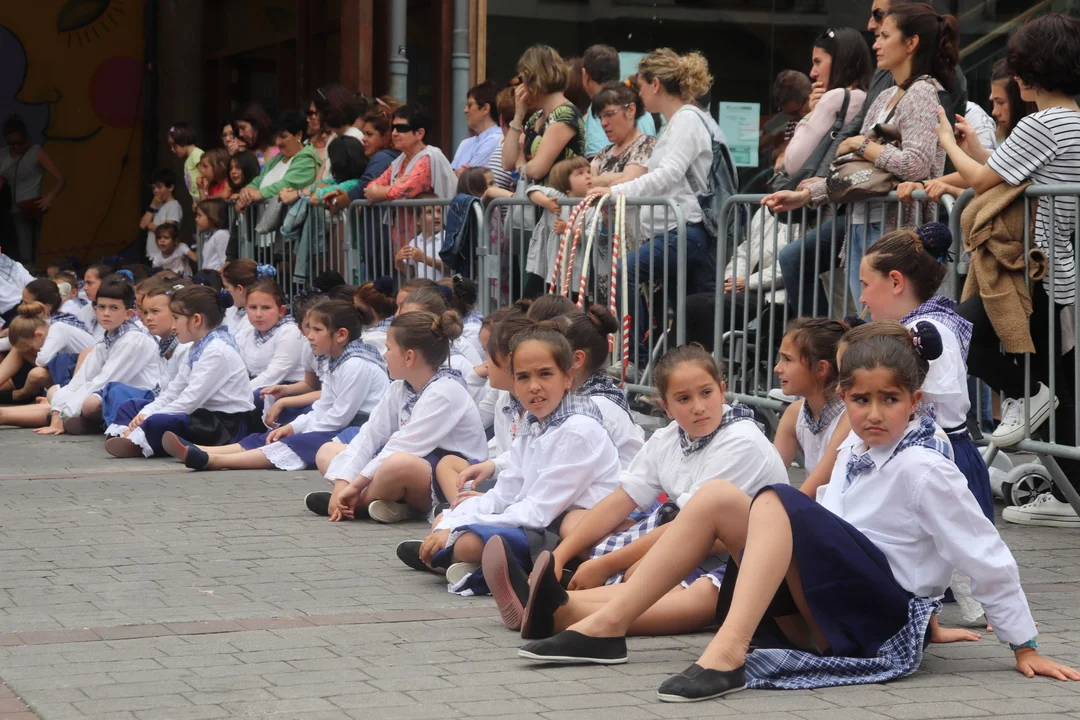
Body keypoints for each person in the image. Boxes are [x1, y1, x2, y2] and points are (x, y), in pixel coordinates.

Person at [516, 323, 1080, 698]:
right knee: (719, 497)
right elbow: (860, 535)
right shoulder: (855, 448)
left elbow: (979, 551)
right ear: (845, 398)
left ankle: (728, 651)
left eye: (889, 400)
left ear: (915, 402)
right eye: (860, 400)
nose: (873, 414)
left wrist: (1023, 642)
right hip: (835, 603)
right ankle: (606, 629)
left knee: (777, 498)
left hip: (871, 623)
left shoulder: (926, 467)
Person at [482, 343, 786, 636]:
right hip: (688, 540)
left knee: (692, 591)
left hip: (749, 557)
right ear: (666, 407)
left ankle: (561, 610)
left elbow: (692, 528)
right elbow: (622, 499)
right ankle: (547, 602)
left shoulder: (740, 441)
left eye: (706, 393)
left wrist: (605, 565)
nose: (698, 407)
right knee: (578, 523)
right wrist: (559, 556)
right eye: (683, 399)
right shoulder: (669, 437)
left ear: (722, 390)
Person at [936, 13, 1080, 526]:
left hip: (1030, 271)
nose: (1015, 79)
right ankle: (1067, 494)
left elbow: (982, 181)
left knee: (954, 333)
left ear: (1031, 69)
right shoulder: (1074, 121)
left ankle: (1026, 396)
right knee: (1062, 387)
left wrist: (947, 142)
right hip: (1059, 271)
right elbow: (1004, 171)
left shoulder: (1043, 123)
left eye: (1019, 67)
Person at [403, 320, 622, 592]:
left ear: (567, 377)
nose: (534, 386)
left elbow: (537, 513)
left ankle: (484, 564)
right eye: (523, 377)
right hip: (539, 523)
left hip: (565, 531)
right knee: (445, 519)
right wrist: (452, 522)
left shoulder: (577, 430)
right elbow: (504, 494)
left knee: (467, 541)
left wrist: (457, 529)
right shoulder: (535, 422)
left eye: (545, 374)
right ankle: (468, 562)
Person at [763, 3, 958, 308]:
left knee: (886, 325)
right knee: (869, 322)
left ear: (911, 43)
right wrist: (805, 195)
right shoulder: (884, 95)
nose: (876, 44)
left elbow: (915, 164)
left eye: (885, 36)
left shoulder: (922, 92)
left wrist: (863, 146)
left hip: (895, 232)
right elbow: (857, 173)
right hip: (861, 222)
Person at [687, 27, 872, 346]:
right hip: (833, 209)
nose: (813, 72)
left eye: (819, 62)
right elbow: (746, 249)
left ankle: (823, 352)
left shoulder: (838, 97)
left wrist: (811, 114)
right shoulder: (863, 99)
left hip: (824, 210)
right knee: (842, 300)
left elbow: (794, 161)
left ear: (840, 60)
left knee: (815, 284)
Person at [604, 49, 731, 366]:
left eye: (640, 86)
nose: (640, 94)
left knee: (625, 271)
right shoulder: (680, 122)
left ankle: (636, 362)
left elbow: (668, 175)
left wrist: (615, 192)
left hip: (685, 231)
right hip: (680, 232)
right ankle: (675, 374)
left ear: (656, 84)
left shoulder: (686, 119)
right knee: (690, 318)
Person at [164, 299, 389, 472]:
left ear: (341, 335)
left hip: (358, 430)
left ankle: (215, 460)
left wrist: (298, 430)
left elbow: (338, 418)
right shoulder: (335, 362)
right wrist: (293, 426)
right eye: (309, 329)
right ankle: (205, 450)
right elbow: (323, 407)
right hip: (339, 424)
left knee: (299, 441)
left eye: (317, 330)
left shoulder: (356, 365)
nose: (309, 336)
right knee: (279, 433)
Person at [309, 310, 488, 523]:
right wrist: (343, 482)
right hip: (411, 465)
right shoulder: (400, 387)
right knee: (327, 451)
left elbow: (404, 446)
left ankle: (354, 504)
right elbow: (370, 435)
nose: (384, 355)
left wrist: (354, 486)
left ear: (409, 357)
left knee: (398, 463)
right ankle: (383, 505)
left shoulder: (445, 391)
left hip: (447, 475)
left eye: (389, 348)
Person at [103, 285, 255, 459]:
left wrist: (149, 417)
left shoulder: (217, 351)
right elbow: (173, 392)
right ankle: (133, 435)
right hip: (202, 416)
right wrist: (144, 412)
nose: (173, 326)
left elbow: (189, 401)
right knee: (132, 406)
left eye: (176, 318)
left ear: (196, 319)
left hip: (225, 426)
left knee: (161, 421)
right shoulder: (196, 348)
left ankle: (139, 441)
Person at [0, 278, 156, 432]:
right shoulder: (106, 340)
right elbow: (81, 379)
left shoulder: (133, 341)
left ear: (128, 313)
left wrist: (62, 413)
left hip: (142, 399)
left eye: (114, 308)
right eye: (102, 307)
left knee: (91, 403)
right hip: (111, 394)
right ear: (95, 309)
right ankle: (77, 420)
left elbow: (104, 381)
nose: (106, 313)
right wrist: (58, 411)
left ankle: (87, 422)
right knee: (55, 391)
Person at [100, 278, 192, 439]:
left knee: (155, 418)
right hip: (164, 401)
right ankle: (125, 432)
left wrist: (148, 414)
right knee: (129, 405)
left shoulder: (185, 348)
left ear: (175, 313)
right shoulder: (164, 346)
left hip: (185, 409)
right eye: (145, 312)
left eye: (155, 312)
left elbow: (183, 397)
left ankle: (131, 436)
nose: (148, 318)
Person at [772, 318, 851, 500]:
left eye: (787, 359)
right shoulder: (794, 413)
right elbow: (770, 476)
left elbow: (812, 490)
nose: (777, 368)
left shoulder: (848, 417)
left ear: (821, 368)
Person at [502, 45, 587, 186]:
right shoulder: (537, 117)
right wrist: (518, 117)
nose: (520, 88)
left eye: (522, 80)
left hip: (558, 198)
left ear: (534, 79)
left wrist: (521, 163)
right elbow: (507, 163)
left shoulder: (565, 114)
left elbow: (536, 170)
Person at [525, 157, 596, 298]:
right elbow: (532, 190)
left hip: (572, 267)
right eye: (580, 173)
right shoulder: (558, 197)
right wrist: (546, 202)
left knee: (569, 303)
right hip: (545, 264)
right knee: (533, 300)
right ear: (566, 186)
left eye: (589, 172)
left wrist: (569, 230)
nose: (588, 176)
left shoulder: (593, 207)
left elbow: (590, 236)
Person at [0, 300, 93, 404]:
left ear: (39, 335)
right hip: (66, 371)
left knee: (36, 373)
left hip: (83, 379)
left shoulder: (58, 329)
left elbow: (42, 360)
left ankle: (21, 394)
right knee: (19, 349)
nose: (32, 351)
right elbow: (13, 343)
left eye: (31, 348)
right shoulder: (44, 326)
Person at [0, 115, 64, 263]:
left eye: (19, 142)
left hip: (27, 208)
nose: (16, 147)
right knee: (9, 251)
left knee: (26, 252)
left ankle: (29, 273)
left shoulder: (36, 152)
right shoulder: (3, 155)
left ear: (25, 138)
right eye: (12, 143)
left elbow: (60, 178)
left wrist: (49, 198)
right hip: (6, 209)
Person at [364, 104, 456, 203]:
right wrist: (393, 187)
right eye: (393, 128)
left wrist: (386, 190)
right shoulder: (401, 159)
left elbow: (403, 192)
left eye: (401, 128)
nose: (394, 133)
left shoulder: (429, 156)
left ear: (419, 133)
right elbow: (369, 188)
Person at [235, 110, 323, 213]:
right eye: (276, 137)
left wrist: (257, 194)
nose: (277, 142)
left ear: (298, 135)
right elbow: (259, 179)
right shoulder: (278, 158)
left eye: (283, 137)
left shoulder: (308, 160)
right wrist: (247, 191)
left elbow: (286, 185)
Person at [581, 45, 657, 157]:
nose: (603, 122)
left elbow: (596, 158)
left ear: (585, 75)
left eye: (609, 114)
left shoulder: (598, 108)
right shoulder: (641, 105)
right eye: (601, 117)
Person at [324, 107, 403, 212]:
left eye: (369, 134)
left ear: (386, 135)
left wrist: (337, 202)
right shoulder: (389, 156)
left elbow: (363, 188)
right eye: (363, 133)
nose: (363, 138)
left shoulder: (382, 157)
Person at [235, 277, 304, 392]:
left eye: (266, 308)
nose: (258, 314)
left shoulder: (290, 331)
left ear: (281, 311)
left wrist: (240, 392)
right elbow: (238, 368)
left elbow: (275, 373)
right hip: (254, 387)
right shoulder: (246, 333)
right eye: (253, 307)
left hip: (287, 389)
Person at [452, 80, 503, 173]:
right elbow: (449, 177)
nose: (465, 110)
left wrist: (460, 174)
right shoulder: (465, 143)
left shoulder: (498, 139)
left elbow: (470, 177)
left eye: (470, 105)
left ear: (485, 109)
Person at [395, 194, 447, 281]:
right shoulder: (414, 242)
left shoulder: (447, 239)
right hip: (423, 289)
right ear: (417, 220)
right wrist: (399, 261)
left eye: (439, 211)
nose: (437, 216)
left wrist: (424, 259)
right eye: (430, 212)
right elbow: (411, 273)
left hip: (443, 289)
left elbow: (450, 268)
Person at [139, 169, 183, 263]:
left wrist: (149, 225)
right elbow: (142, 225)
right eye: (153, 188)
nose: (155, 191)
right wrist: (152, 206)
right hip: (153, 256)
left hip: (165, 258)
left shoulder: (174, 205)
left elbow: (167, 232)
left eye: (159, 187)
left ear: (171, 187)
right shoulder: (157, 205)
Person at [220, 259, 264, 341]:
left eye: (226, 287)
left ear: (240, 289)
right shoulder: (232, 308)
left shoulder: (255, 320)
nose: (224, 291)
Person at [352, 277, 397, 355]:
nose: (355, 310)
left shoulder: (372, 340)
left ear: (371, 309)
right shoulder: (397, 326)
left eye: (358, 308)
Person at [168, 122, 204, 202]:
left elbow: (207, 176)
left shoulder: (196, 154)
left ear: (183, 141)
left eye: (174, 145)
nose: (172, 149)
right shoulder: (188, 160)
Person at [236, 103, 278, 168]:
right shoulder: (247, 154)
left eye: (243, 128)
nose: (240, 134)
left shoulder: (280, 151)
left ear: (256, 125)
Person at [194, 199, 229, 272]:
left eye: (199, 215)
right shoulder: (210, 235)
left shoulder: (221, 235)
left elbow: (224, 263)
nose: (196, 219)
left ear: (211, 217)